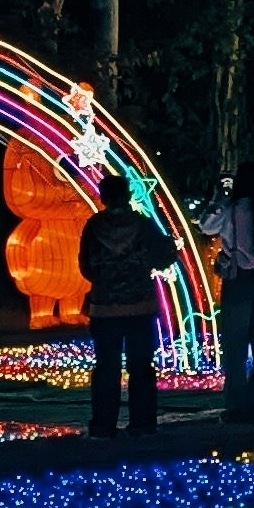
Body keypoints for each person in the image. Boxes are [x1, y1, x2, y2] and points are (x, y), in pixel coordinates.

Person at [75, 167, 176, 435]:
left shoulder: (93, 226)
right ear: (128, 196)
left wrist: (106, 277)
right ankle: (143, 423)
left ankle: (103, 425)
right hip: (139, 305)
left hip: (105, 307)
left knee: (106, 367)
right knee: (141, 366)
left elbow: (85, 267)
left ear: (103, 197)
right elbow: (162, 257)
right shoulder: (143, 225)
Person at [207, 169, 254, 422]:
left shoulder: (231, 209)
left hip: (237, 278)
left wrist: (218, 198)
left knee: (236, 346)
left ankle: (236, 405)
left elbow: (206, 226)